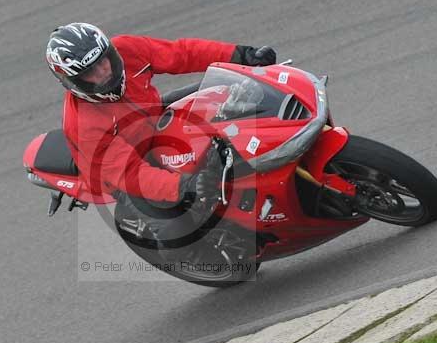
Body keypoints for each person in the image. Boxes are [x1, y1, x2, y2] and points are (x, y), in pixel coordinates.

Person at [45, 22, 276, 211]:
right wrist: (186, 186)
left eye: (103, 61)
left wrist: (240, 55)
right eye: (90, 73)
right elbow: (131, 174)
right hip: (125, 172)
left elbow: (181, 53)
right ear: (74, 82)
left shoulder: (126, 49)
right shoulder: (83, 124)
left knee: (227, 89)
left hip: (153, 115)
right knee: (175, 219)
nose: (104, 72)